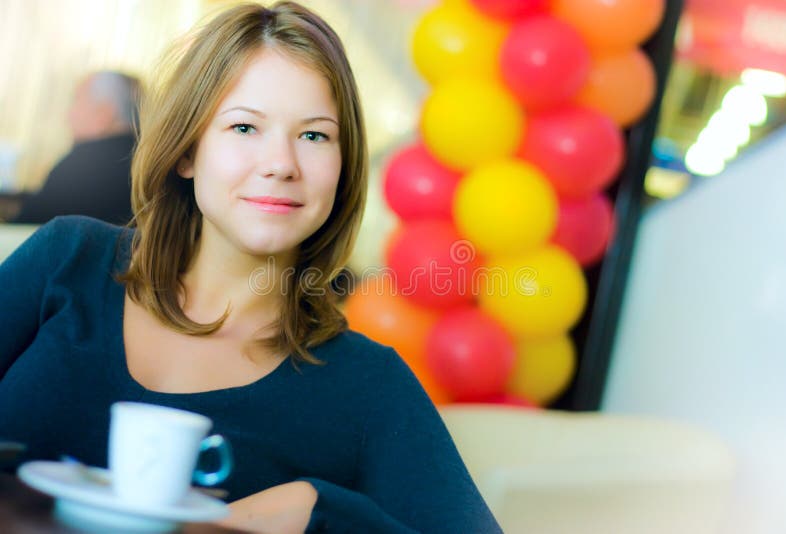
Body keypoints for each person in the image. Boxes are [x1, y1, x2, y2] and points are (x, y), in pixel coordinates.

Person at [0, 3, 502, 533]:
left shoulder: (369, 385)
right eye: (244, 127)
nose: (281, 164)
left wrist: (320, 511)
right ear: (187, 152)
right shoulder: (68, 259)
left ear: (342, 166)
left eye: (314, 136)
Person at [11, 71, 139, 225]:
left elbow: (24, 225)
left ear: (103, 114)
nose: (68, 115)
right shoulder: (146, 162)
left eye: (77, 101)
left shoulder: (83, 163)